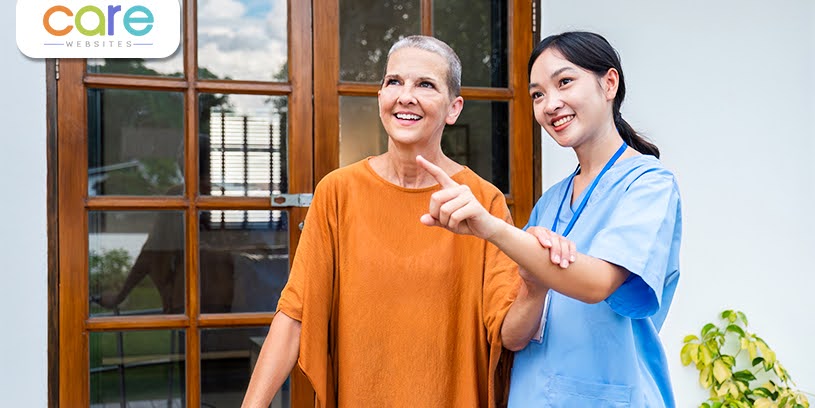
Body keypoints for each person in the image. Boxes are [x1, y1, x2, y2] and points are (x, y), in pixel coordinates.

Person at [241, 35, 519, 408]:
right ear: (380, 99)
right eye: (394, 82)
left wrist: (538, 279)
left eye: (425, 84)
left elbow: (510, 330)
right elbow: (295, 315)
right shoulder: (338, 192)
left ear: (453, 108)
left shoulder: (483, 202)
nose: (406, 96)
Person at [417, 31, 682, 407]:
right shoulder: (550, 203)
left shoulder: (649, 186)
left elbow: (597, 284)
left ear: (609, 83)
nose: (550, 104)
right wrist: (534, 287)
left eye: (564, 82)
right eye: (538, 94)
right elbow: (513, 337)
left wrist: (490, 226)